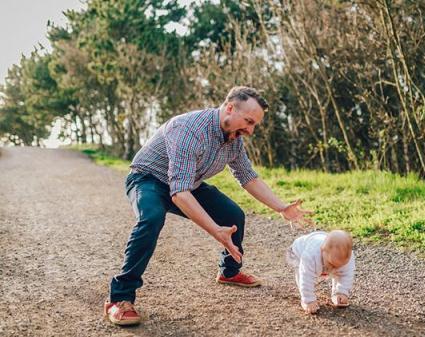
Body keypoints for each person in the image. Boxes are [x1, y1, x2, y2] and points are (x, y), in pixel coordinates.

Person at [104, 86, 313, 325]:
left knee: (233, 215)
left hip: (187, 183)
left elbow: (248, 177)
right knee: (151, 218)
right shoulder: (188, 129)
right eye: (248, 121)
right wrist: (216, 231)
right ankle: (119, 298)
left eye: (254, 124)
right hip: (148, 179)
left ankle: (229, 272)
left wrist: (281, 208)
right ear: (230, 108)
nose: (251, 130)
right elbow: (179, 194)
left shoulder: (233, 138)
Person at [286, 230, 355, 314]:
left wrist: (342, 292)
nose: (333, 269)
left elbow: (346, 275)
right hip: (297, 252)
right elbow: (306, 278)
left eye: (339, 266)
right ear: (323, 250)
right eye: (331, 264)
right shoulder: (310, 256)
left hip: (319, 242)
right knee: (302, 273)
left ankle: (336, 293)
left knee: (339, 271)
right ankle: (305, 301)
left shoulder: (347, 259)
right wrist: (309, 300)